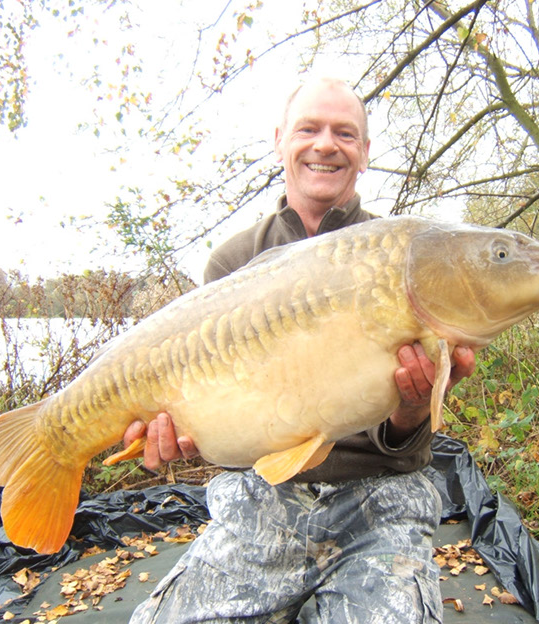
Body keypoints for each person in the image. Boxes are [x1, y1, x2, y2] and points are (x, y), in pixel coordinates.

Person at [126, 76, 476, 624]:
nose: (326, 144)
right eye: (308, 129)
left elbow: (404, 440)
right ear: (280, 141)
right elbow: (227, 431)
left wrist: (412, 408)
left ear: (364, 152)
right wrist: (185, 437)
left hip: (381, 492)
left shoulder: (409, 257)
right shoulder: (232, 262)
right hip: (264, 494)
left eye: (345, 133)